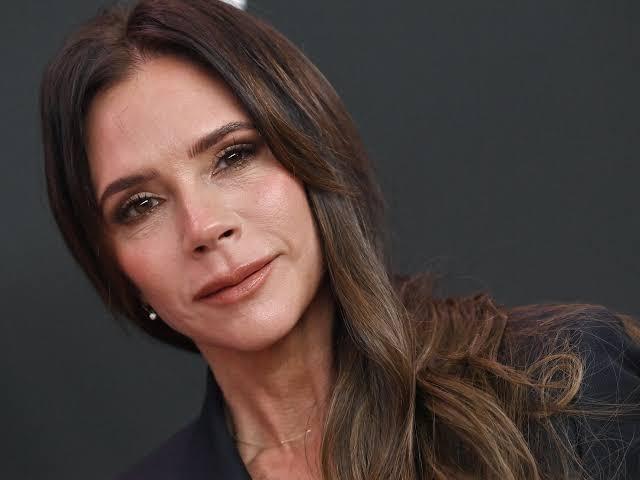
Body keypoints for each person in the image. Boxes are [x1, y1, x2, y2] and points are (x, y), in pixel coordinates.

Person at [39, 0, 640, 478]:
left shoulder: (560, 385)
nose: (203, 227)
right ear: (113, 263)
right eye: (140, 205)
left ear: (310, 151)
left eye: (234, 156)